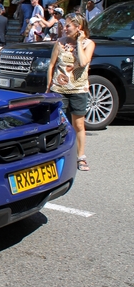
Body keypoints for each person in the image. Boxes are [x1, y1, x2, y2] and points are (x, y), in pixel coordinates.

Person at [47, 14, 95, 171]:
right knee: (59, 123)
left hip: (78, 90)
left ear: (78, 28)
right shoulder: (59, 43)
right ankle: (59, 154)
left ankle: (81, 156)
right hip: (59, 89)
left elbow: (82, 62)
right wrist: (48, 87)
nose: (64, 28)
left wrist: (80, 42)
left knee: (78, 124)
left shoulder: (88, 44)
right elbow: (52, 65)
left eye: (68, 26)